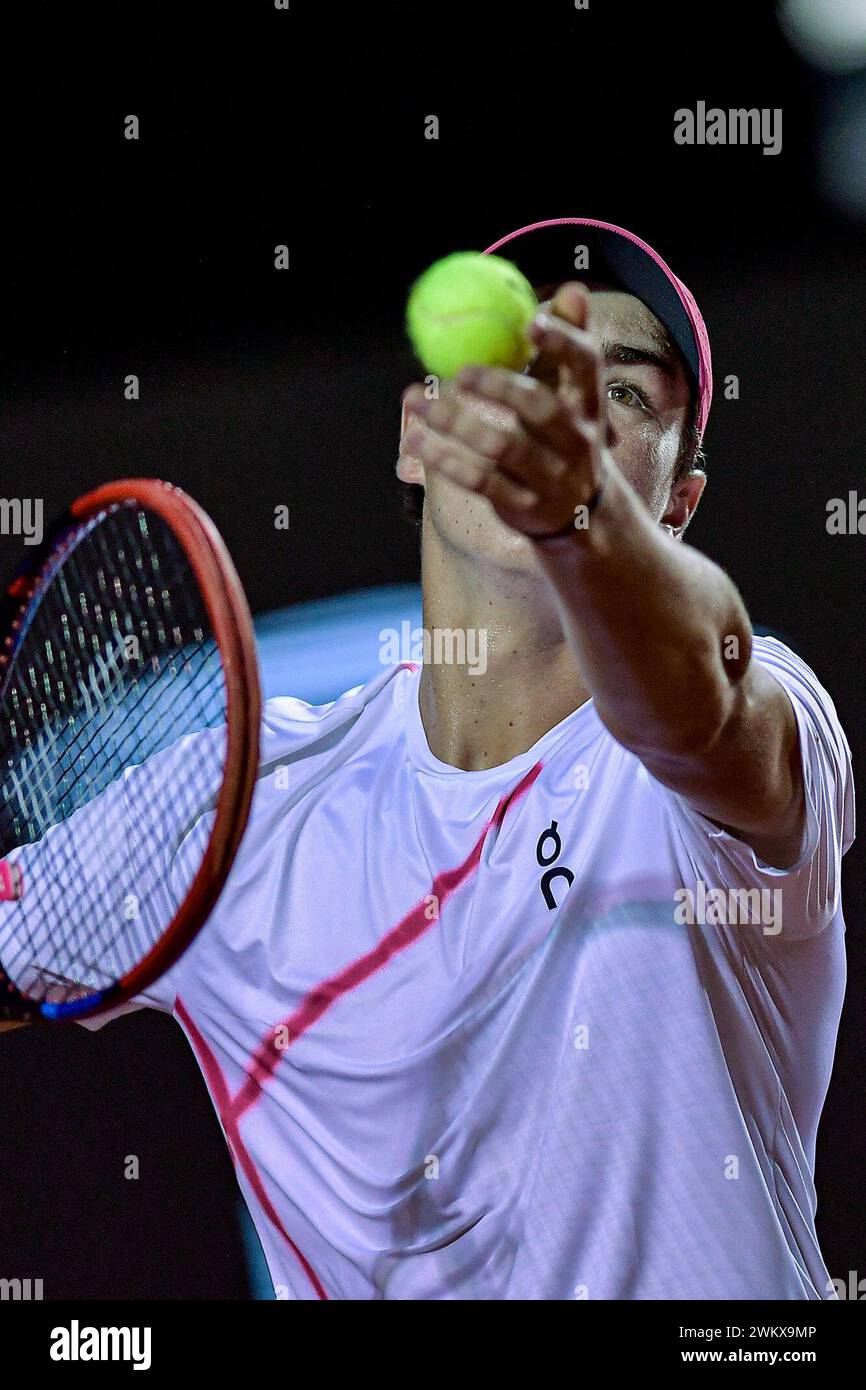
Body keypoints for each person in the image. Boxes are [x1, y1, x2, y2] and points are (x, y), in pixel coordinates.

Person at [3, 218, 854, 1300]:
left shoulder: (739, 742)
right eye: (505, 373)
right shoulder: (233, 809)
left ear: (676, 506)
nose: (557, 408)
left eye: (621, 395)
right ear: (419, 433)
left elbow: (708, 704)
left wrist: (581, 523)